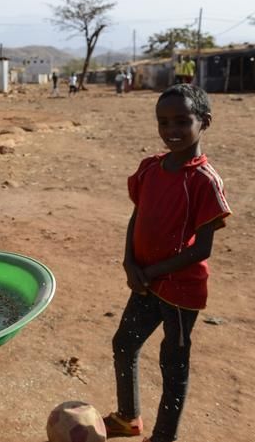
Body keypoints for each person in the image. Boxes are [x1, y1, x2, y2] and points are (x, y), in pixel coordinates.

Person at [104, 84, 231, 442]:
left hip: (179, 290)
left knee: (173, 365)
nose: (171, 130)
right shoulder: (149, 169)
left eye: (181, 121)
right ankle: (128, 418)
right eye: (163, 122)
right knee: (124, 344)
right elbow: (137, 216)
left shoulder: (205, 182)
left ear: (204, 122)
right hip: (143, 281)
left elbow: (201, 249)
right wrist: (129, 263)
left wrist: (150, 272)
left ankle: (164, 437)